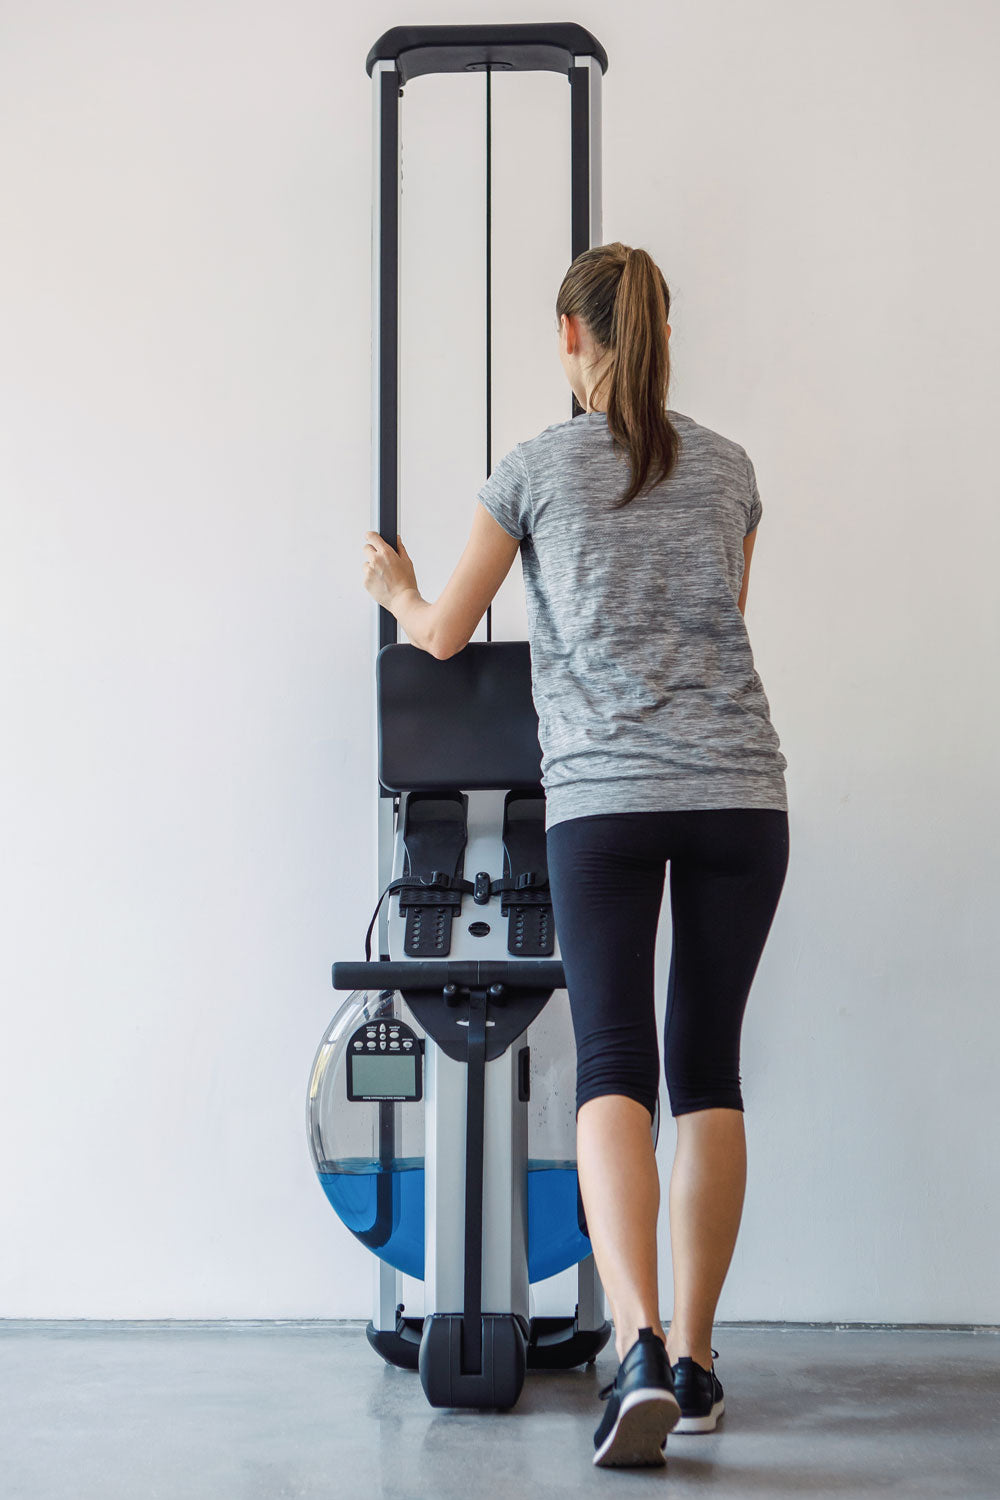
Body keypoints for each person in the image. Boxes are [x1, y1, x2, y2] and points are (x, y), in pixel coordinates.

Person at [361, 241, 790, 1469]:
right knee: (707, 1074)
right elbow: (721, 620)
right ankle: (695, 1366)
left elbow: (446, 634)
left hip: (604, 801)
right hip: (739, 795)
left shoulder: (536, 468)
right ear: (662, 333)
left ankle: (637, 1345)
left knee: (614, 1067)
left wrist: (396, 588)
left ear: (568, 336)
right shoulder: (729, 469)